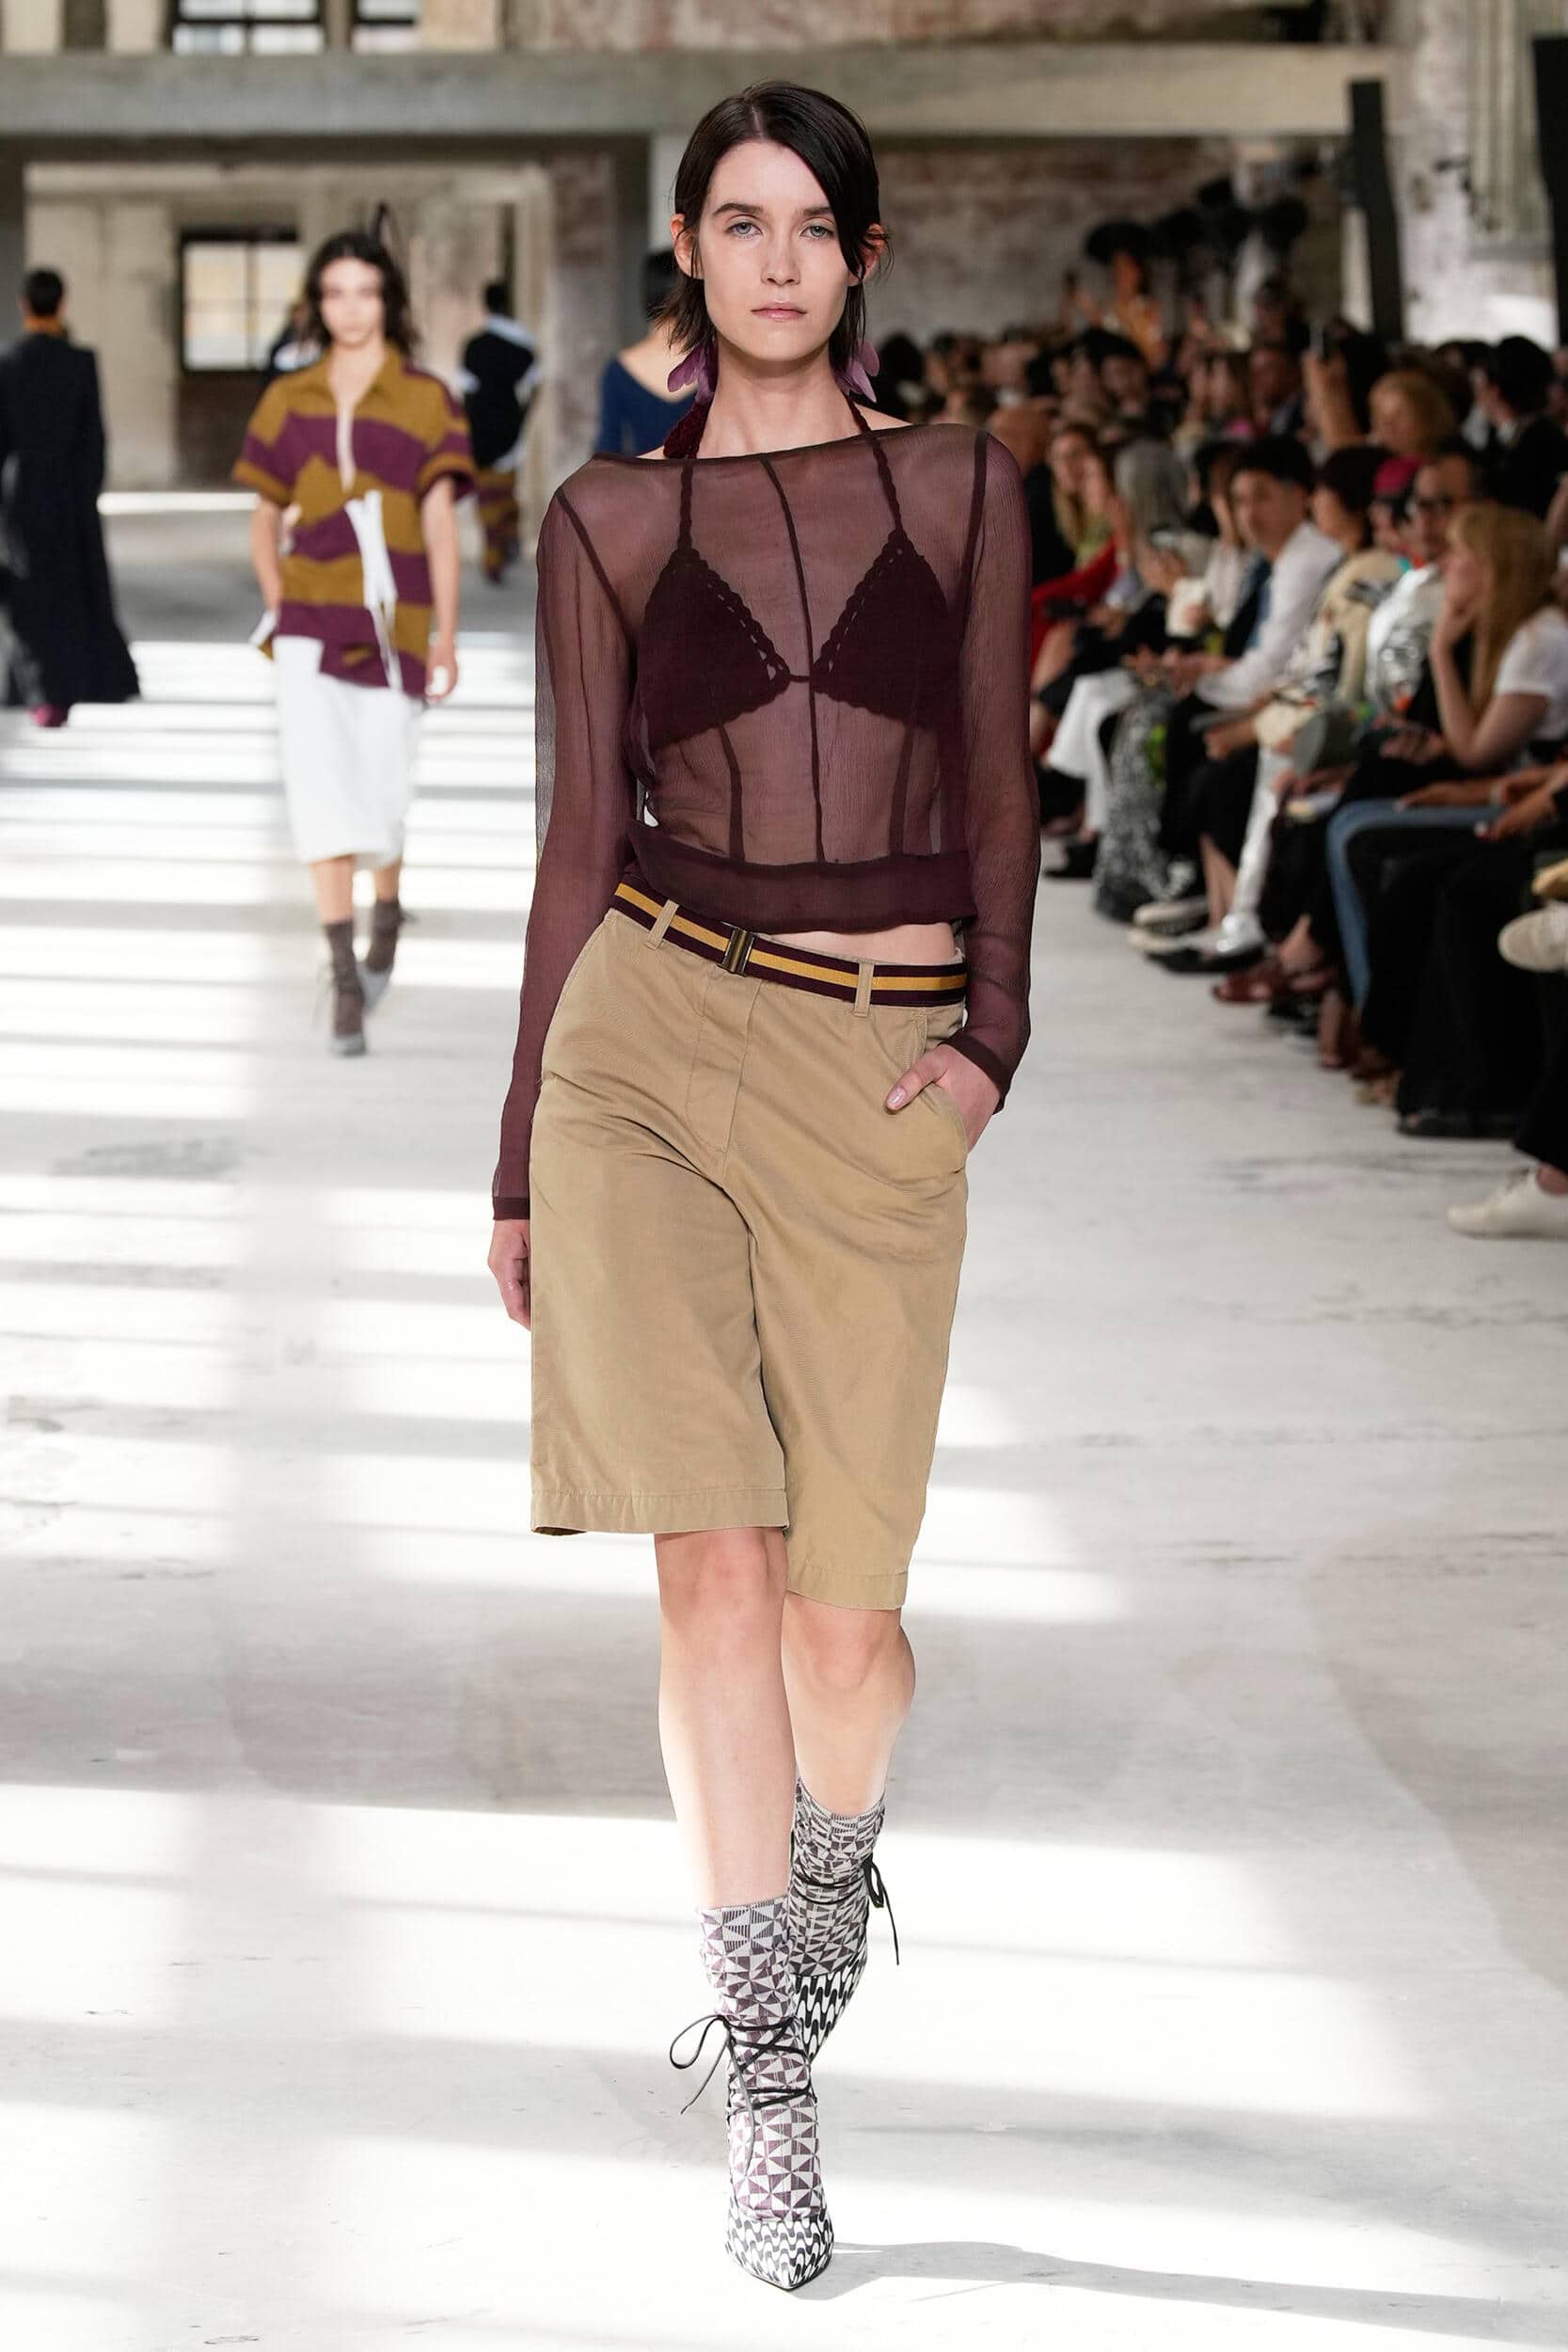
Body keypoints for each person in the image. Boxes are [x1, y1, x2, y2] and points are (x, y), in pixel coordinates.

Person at [486, 79, 1037, 2294]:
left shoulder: (963, 481)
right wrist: (518, 1151)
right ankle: (774, 2084)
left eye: (813, 224)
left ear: (861, 256)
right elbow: (572, 842)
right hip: (645, 1048)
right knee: (710, 1568)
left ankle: (828, 1871)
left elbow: (995, 783)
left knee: (846, 1625)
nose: (777, 259)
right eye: (739, 222)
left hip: (876, 1064)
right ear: (689, 257)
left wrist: (987, 1049)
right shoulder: (608, 517)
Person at [232, 229, 473, 1057]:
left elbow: (440, 527)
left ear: (387, 301)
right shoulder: (287, 397)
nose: (350, 309)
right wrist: (280, 596)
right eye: (334, 293)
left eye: (364, 292)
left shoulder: (427, 399)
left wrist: (445, 634)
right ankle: (341, 977)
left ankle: (386, 920)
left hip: (395, 624)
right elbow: (264, 516)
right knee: (319, 792)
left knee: (383, 789)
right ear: (316, 305)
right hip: (310, 622)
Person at [0, 267, 138, 728]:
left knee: (31, 590)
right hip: (72, 489)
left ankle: (39, 687)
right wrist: (88, 489)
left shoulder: (9, 362)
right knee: (76, 584)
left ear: (24, 305)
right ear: (62, 303)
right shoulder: (80, 362)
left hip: (23, 490)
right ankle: (83, 678)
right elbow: (94, 436)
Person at [457, 279, 540, 585]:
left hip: (480, 430)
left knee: (487, 496)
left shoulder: (474, 346)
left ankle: (495, 551)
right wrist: (521, 418)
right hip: (509, 428)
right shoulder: (523, 345)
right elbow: (534, 386)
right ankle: (505, 539)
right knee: (504, 491)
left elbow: (466, 392)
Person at [594, 248, 696, 455]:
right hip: (707, 476)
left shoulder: (619, 370)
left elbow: (607, 449)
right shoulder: (719, 365)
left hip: (644, 476)